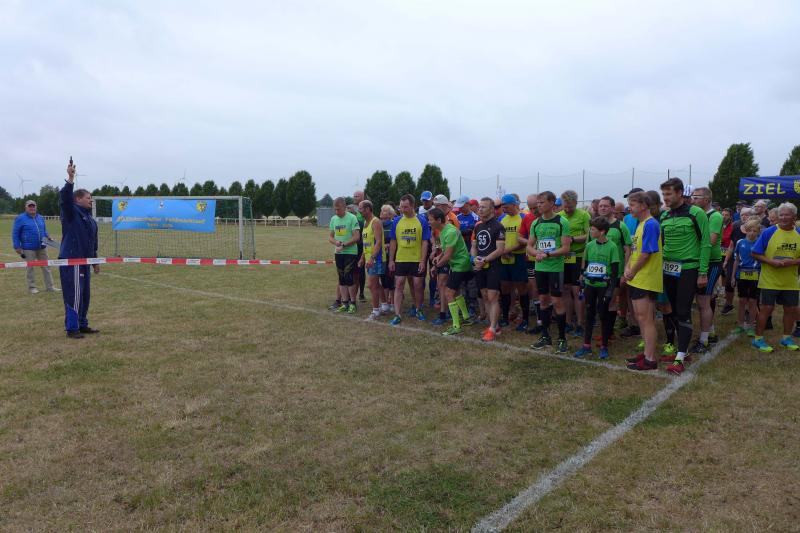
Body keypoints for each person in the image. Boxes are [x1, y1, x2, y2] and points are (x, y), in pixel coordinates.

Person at [659, 178, 710, 375]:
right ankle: (683, 350)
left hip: (689, 268)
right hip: (668, 269)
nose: (665, 198)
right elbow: (663, 243)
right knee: (672, 311)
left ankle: (680, 358)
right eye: (663, 194)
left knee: (683, 310)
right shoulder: (664, 215)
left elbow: (705, 243)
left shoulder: (696, 213)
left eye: (669, 194)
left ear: (680, 193)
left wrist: (702, 272)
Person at [750, 203, 800, 352]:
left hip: (790, 280)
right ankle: (758, 339)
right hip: (769, 279)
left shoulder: (798, 233)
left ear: (794, 217)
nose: (783, 218)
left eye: (787, 215)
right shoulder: (769, 232)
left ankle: (786, 338)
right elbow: (755, 253)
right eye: (781, 215)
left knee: (790, 309)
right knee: (767, 308)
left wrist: (793, 262)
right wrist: (771, 262)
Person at [59, 159, 100, 339]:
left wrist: (95, 261)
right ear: (77, 199)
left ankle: (82, 324)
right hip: (72, 260)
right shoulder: (71, 212)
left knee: (84, 295)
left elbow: (92, 242)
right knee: (74, 294)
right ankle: (72, 328)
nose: (91, 200)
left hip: (85, 261)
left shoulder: (90, 219)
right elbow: (64, 198)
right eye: (88, 197)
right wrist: (70, 178)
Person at [623, 192, 664, 371]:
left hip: (645, 278)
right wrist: (628, 267)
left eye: (632, 204)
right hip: (638, 278)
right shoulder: (641, 224)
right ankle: (647, 352)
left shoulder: (651, 224)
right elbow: (635, 251)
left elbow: (646, 254)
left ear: (644, 205)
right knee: (640, 318)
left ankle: (650, 359)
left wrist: (632, 271)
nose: (629, 208)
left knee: (646, 319)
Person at [528, 191, 571, 353]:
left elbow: (566, 248)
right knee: (543, 300)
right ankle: (545, 336)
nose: (538, 205)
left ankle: (562, 338)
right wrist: (536, 253)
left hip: (555, 268)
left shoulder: (562, 222)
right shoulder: (536, 223)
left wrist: (547, 254)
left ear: (552, 203)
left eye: (542, 202)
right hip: (540, 268)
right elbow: (529, 245)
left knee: (557, 301)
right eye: (537, 203)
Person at [573, 216, 620, 360]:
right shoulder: (589, 245)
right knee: (589, 314)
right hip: (590, 285)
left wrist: (610, 290)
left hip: (603, 287)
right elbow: (585, 264)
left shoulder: (612, 247)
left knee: (603, 315)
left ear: (602, 231)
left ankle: (604, 346)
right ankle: (586, 345)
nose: (590, 231)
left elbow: (615, 272)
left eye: (593, 229)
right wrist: (582, 278)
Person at [428, 207, 474, 335]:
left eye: (430, 220)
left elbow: (448, 256)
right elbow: (446, 250)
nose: (429, 222)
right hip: (457, 264)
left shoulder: (450, 231)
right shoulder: (443, 230)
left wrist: (436, 266)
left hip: (460, 265)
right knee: (456, 291)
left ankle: (456, 326)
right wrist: (438, 257)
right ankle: (466, 317)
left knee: (448, 293)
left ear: (438, 220)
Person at [690, 187, 723, 353]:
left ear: (707, 199)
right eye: (692, 197)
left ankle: (704, 341)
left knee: (704, 300)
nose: (693, 200)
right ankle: (710, 332)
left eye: (696, 197)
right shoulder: (697, 214)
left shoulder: (715, 216)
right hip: (699, 261)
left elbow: (710, 240)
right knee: (703, 300)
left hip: (711, 262)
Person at [389, 194, 431, 324]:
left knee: (418, 285)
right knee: (399, 284)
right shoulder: (396, 221)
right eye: (401, 207)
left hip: (416, 259)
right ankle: (397, 314)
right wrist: (391, 260)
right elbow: (393, 241)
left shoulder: (422, 221)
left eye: (405, 207)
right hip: (401, 259)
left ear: (413, 206)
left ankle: (418, 309)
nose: (402, 209)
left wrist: (423, 261)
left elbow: (425, 242)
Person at [471, 197, 506, 342]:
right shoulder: (478, 226)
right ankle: (495, 325)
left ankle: (492, 329)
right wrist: (474, 258)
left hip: (493, 266)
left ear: (492, 210)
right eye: (479, 207)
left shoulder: (498, 227)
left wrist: (485, 260)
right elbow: (474, 246)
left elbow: (500, 249)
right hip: (480, 266)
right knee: (485, 296)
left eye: (483, 207)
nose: (480, 209)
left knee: (493, 297)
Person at [559, 190, 590, 337]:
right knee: (565, 289)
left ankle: (579, 323)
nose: (567, 209)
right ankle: (567, 321)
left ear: (576, 203)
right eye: (565, 206)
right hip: (563, 257)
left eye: (570, 207)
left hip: (578, 256)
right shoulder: (559, 216)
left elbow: (589, 234)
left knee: (577, 291)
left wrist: (572, 239)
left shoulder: (584, 215)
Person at [12, 199, 59, 294]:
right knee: (30, 268)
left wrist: (47, 236)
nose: (32, 208)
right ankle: (32, 288)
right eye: (30, 206)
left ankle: (50, 287)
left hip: (42, 247)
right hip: (28, 248)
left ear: (36, 207)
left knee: (46, 266)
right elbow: (15, 233)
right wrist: (17, 246)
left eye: (33, 206)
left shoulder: (40, 217)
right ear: (26, 207)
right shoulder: (20, 218)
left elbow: (44, 230)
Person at [498, 194, 530, 331]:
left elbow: (526, 240)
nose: (504, 209)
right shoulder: (502, 219)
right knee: (505, 287)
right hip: (504, 257)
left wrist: (508, 250)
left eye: (506, 207)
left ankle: (525, 319)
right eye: (503, 207)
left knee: (521, 288)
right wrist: (503, 251)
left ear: (514, 205)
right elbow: (500, 238)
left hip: (519, 257)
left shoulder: (523, 217)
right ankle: (505, 317)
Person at [430, 194, 460, 325]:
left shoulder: (452, 219)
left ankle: (448, 312)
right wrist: (435, 249)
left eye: (437, 206)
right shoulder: (436, 218)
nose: (435, 208)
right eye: (434, 205)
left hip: (451, 256)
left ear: (444, 206)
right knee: (442, 283)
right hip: (442, 254)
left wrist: (441, 254)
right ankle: (445, 312)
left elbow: (452, 240)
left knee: (449, 285)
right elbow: (436, 236)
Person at [328, 198, 361, 314]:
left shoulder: (352, 218)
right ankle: (345, 303)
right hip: (338, 252)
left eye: (339, 209)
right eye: (335, 209)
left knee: (348, 276)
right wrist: (336, 242)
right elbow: (330, 237)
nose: (337, 212)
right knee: (341, 277)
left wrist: (344, 244)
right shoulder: (333, 219)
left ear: (344, 207)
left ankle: (353, 303)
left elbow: (356, 237)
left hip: (350, 252)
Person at [731, 219, 762, 336]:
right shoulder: (740, 242)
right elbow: (737, 260)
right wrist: (733, 276)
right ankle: (740, 325)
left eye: (755, 231)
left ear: (758, 231)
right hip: (742, 274)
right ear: (746, 231)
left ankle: (750, 325)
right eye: (750, 230)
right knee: (742, 301)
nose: (752, 233)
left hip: (755, 275)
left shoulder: (760, 243)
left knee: (753, 301)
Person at [358, 200, 385, 321]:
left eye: (361, 209)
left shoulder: (376, 222)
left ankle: (375, 311)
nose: (359, 211)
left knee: (371, 285)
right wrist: (362, 258)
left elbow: (378, 242)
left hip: (376, 258)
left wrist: (372, 258)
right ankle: (385, 305)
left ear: (368, 209)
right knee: (376, 284)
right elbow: (366, 243)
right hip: (369, 258)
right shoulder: (365, 222)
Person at [379, 205, 396, 313]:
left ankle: (393, 303)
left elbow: (396, 240)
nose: (382, 213)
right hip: (381, 257)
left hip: (391, 257)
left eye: (384, 211)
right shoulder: (378, 225)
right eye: (381, 211)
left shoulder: (394, 224)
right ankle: (385, 303)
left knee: (391, 281)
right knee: (383, 280)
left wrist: (389, 245)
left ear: (390, 215)